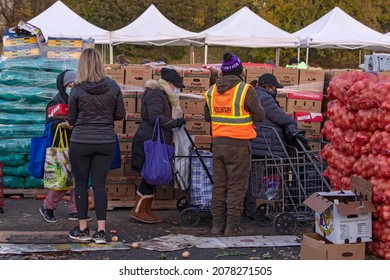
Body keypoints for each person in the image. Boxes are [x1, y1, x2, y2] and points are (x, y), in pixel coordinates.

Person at [67, 48, 126, 243]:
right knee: (100, 185)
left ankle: (83, 229)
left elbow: (72, 119)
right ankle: (101, 231)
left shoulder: (76, 88)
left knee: (81, 185)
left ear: (81, 65)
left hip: (81, 141)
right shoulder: (114, 86)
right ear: (101, 63)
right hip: (105, 141)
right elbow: (120, 115)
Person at [204, 52, 265, 236]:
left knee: (220, 185)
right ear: (240, 71)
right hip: (239, 145)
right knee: (236, 186)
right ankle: (232, 227)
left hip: (218, 145)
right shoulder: (246, 90)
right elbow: (260, 115)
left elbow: (208, 117)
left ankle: (216, 226)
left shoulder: (211, 91)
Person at [130, 68, 187, 224]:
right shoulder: (156, 94)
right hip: (151, 140)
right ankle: (139, 210)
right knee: (150, 175)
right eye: (175, 85)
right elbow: (155, 117)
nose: (176, 88)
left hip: (153, 139)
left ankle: (145, 210)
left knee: (151, 176)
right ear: (168, 84)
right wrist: (174, 122)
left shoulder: (160, 94)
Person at [243, 73, 298, 220]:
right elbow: (279, 116)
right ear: (268, 86)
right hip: (264, 145)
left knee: (253, 178)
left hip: (258, 144)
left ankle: (252, 207)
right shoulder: (265, 97)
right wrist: (293, 123)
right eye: (274, 87)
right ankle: (252, 209)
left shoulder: (256, 95)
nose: (275, 90)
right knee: (255, 179)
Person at [39, 69, 88, 223]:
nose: (72, 88)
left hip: (78, 142)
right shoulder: (56, 102)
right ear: (63, 86)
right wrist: (63, 124)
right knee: (64, 180)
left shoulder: (79, 99)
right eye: (69, 85)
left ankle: (75, 210)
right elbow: (49, 126)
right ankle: (48, 206)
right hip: (62, 146)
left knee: (79, 180)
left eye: (75, 85)